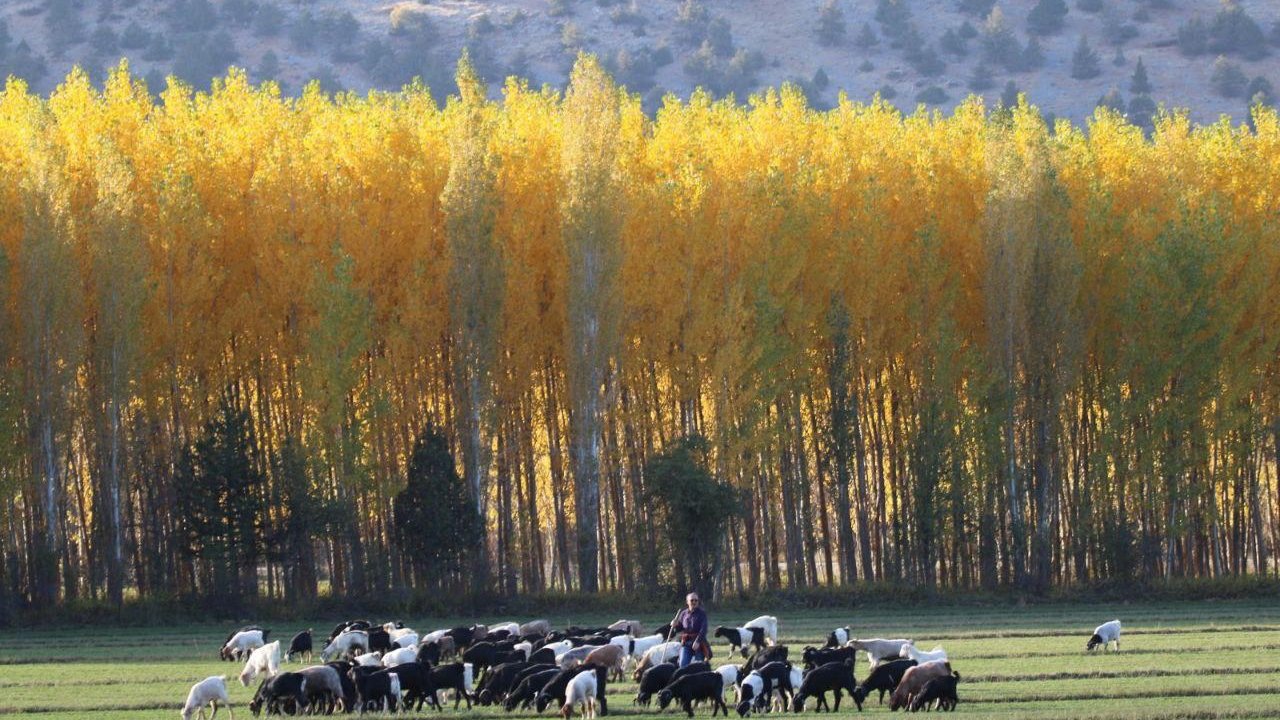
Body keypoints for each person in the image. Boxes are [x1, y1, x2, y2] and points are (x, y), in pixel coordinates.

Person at [672, 591, 710, 667]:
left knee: (698, 667)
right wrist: (675, 625)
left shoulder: (702, 613)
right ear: (687, 602)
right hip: (686, 643)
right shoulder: (683, 613)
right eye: (692, 600)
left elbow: (704, 629)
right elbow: (679, 628)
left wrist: (698, 641)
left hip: (699, 644)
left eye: (696, 600)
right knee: (682, 665)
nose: (694, 602)